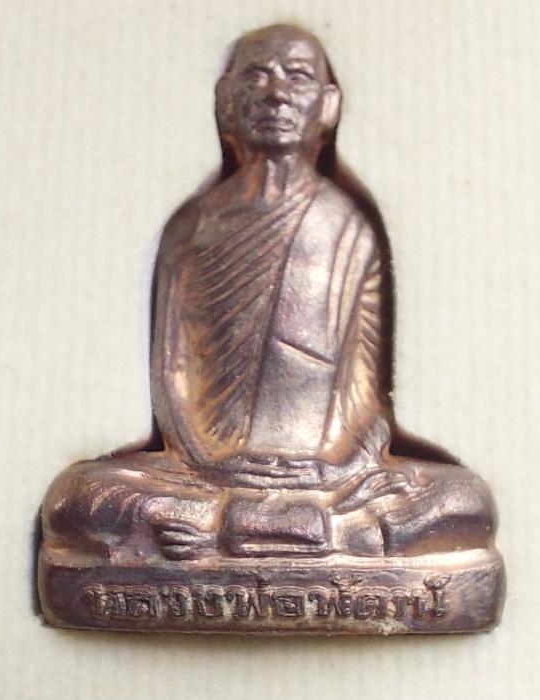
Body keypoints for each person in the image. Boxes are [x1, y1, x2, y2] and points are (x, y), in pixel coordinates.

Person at [41, 24, 495, 561]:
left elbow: (365, 391)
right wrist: (211, 461)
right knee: (74, 499)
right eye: (256, 76)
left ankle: (240, 534)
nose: (276, 93)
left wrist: (341, 463)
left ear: (328, 104)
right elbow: (172, 374)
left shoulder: (348, 226)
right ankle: (318, 535)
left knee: (467, 499)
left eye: (297, 77)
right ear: (226, 101)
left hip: (330, 477)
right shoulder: (193, 227)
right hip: (208, 474)